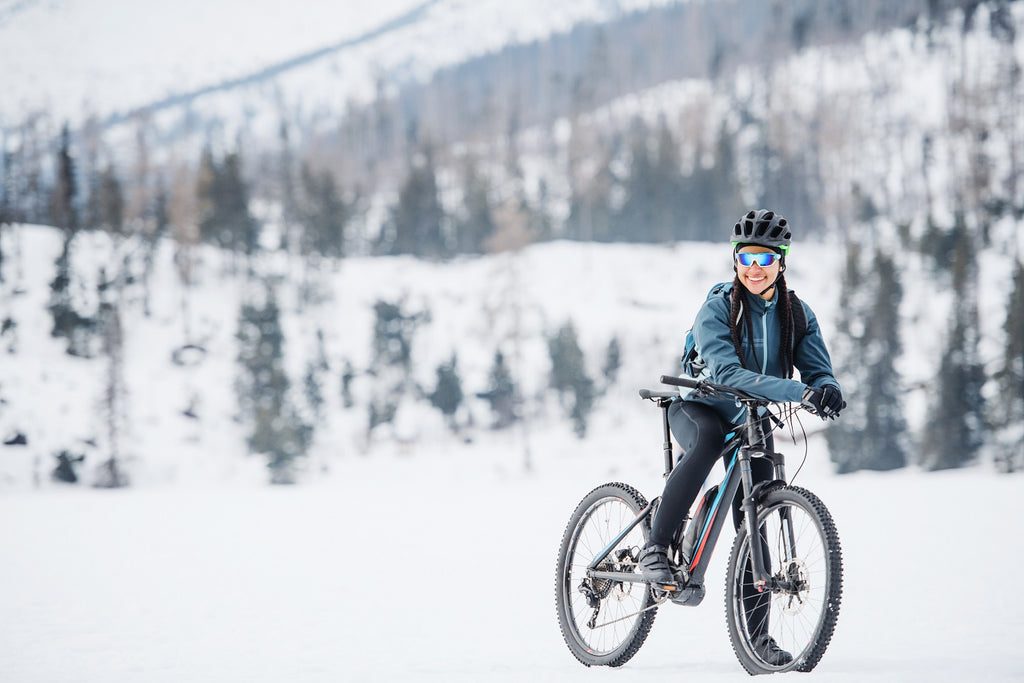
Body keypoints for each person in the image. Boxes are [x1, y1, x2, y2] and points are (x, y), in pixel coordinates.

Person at [639, 209, 843, 665]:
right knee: (708, 443)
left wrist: (827, 388)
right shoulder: (717, 308)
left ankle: (760, 641)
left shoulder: (797, 314)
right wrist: (798, 391)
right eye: (746, 257)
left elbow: (816, 367)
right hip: (699, 407)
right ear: (735, 261)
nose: (754, 268)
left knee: (756, 520)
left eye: (765, 259)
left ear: (781, 263)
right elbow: (728, 372)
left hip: (752, 418)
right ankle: (655, 547)